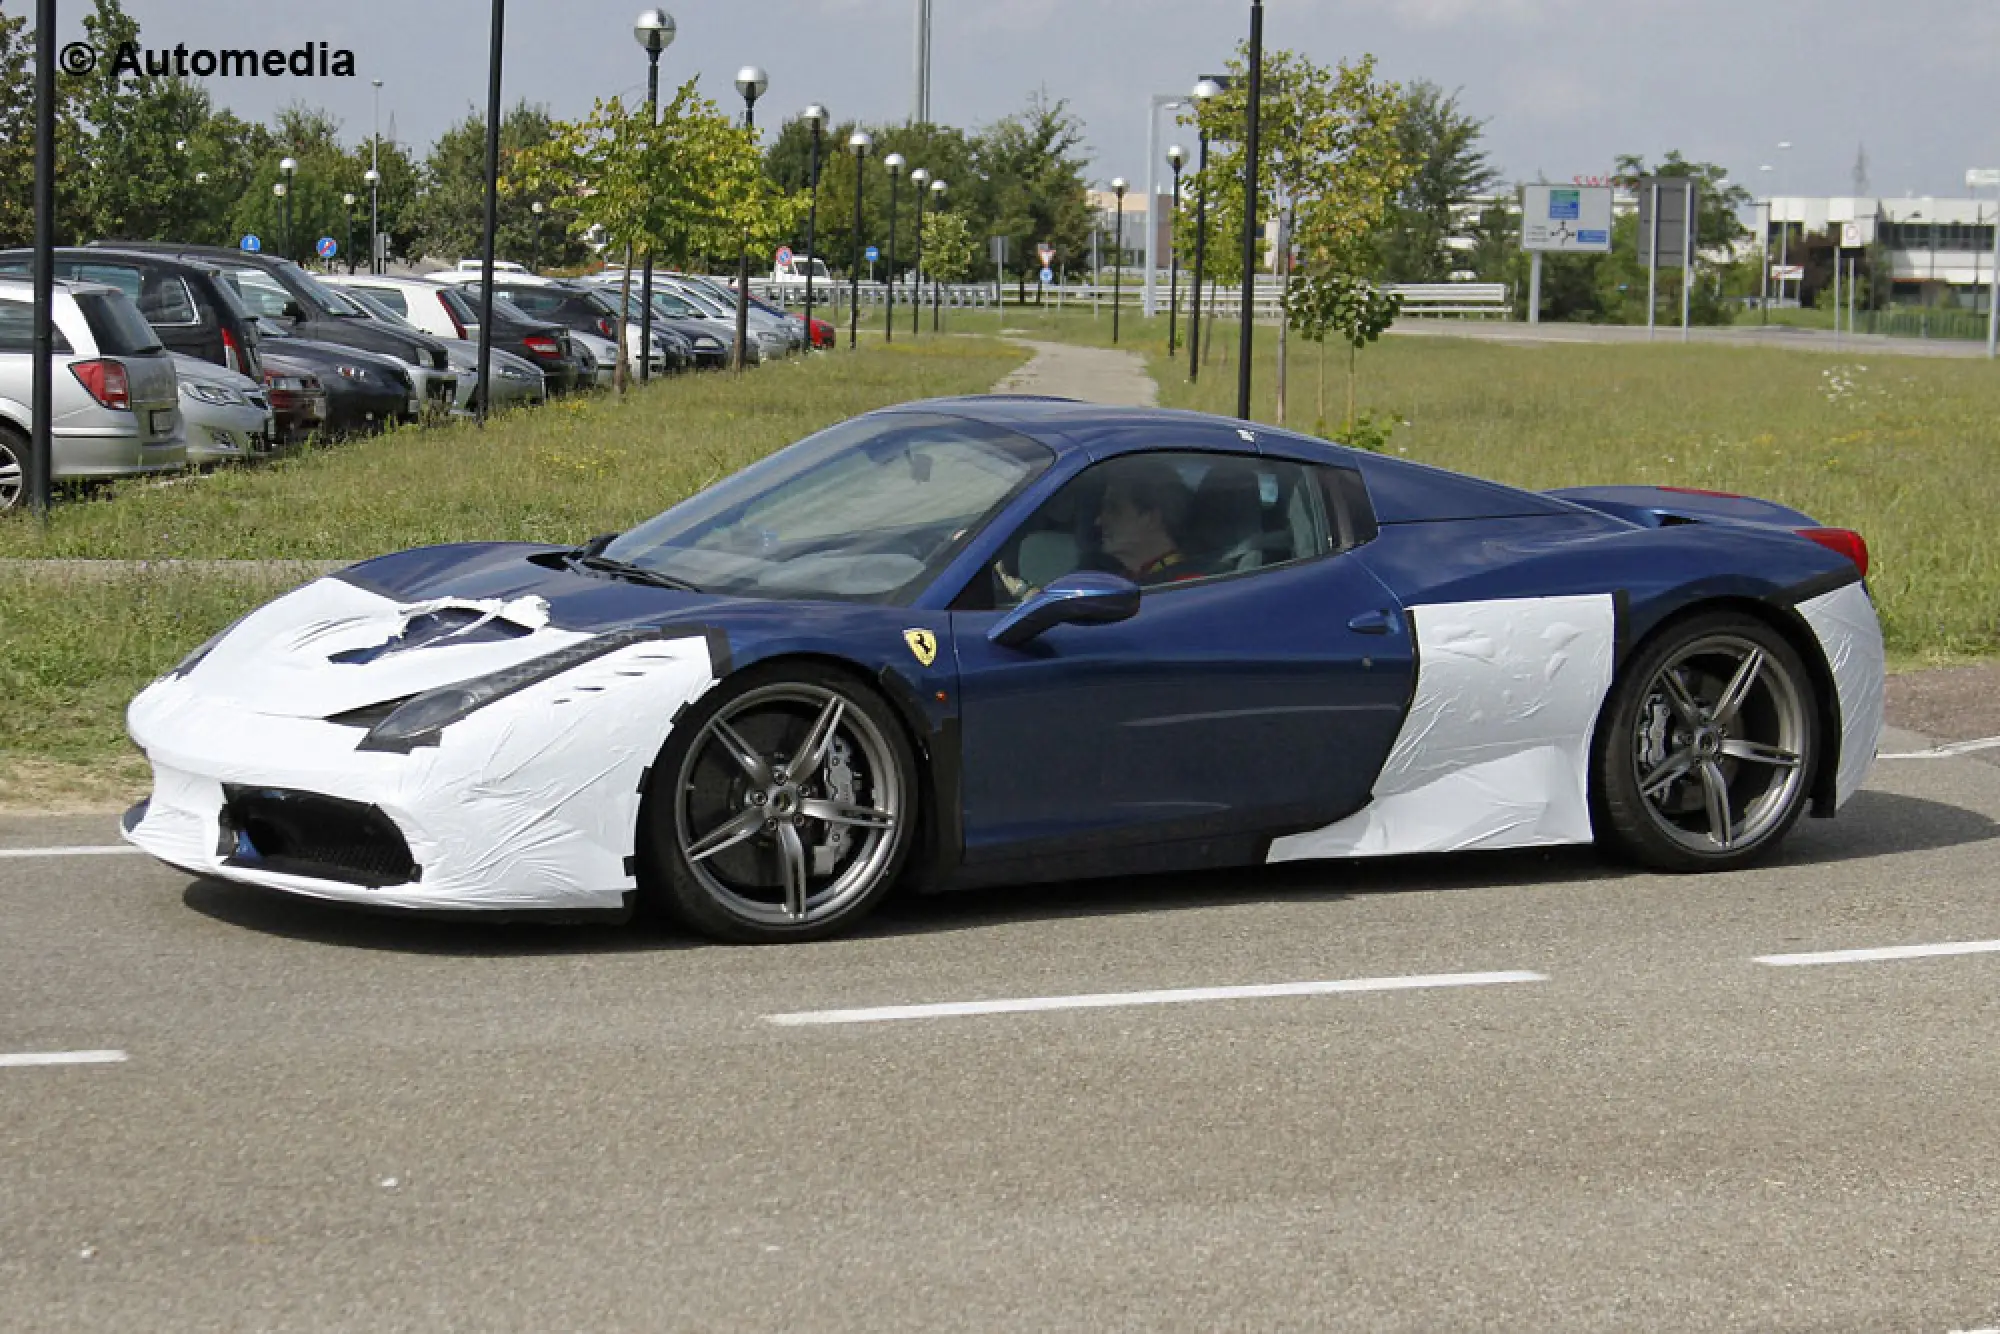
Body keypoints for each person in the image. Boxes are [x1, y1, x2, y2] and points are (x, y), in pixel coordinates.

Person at [1095, 458, 1196, 586]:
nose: (1098, 521)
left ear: (1152, 518)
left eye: (1114, 509)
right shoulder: (1126, 577)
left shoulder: (1184, 588)